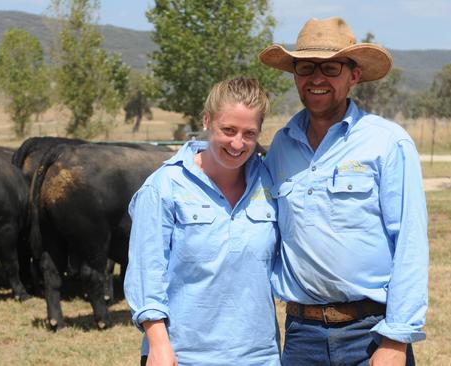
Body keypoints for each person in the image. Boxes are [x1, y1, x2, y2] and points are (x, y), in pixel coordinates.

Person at [259, 17, 428, 365]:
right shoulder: (281, 146)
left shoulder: (386, 143)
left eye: (331, 68)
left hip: (370, 334)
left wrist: (396, 340)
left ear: (353, 76)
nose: (317, 78)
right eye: (306, 67)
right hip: (301, 336)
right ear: (295, 75)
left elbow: (410, 244)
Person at [124, 77, 281, 366]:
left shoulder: (269, 182)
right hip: (183, 355)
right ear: (207, 121)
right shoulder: (165, 187)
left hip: (260, 356)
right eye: (229, 130)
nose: (238, 143)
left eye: (249, 133)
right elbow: (146, 273)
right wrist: (159, 345)